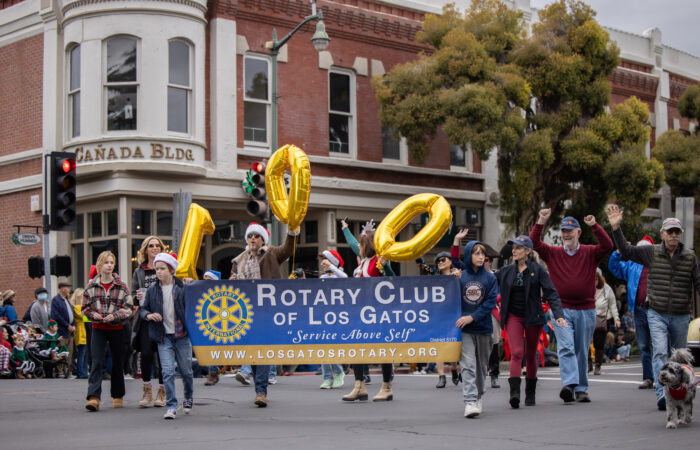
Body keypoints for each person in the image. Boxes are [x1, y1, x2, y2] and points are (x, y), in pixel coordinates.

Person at [606, 206, 700, 410]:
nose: (673, 235)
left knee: (679, 355)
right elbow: (628, 251)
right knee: (658, 351)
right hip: (656, 311)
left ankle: (680, 393)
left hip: (681, 313)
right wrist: (616, 228)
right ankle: (662, 392)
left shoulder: (690, 257)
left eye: (677, 231)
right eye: (670, 231)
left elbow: (698, 282)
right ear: (662, 234)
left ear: (681, 234)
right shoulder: (651, 252)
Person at [530, 209, 613, 403]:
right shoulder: (553, 253)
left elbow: (607, 245)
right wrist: (541, 220)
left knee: (581, 350)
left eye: (570, 230)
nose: (566, 234)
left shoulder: (590, 252)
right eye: (564, 231)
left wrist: (595, 225)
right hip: (561, 309)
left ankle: (581, 388)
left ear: (578, 233)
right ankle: (569, 384)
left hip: (586, 309)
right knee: (566, 346)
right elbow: (534, 243)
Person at [229, 222, 297, 407]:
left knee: (264, 350)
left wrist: (291, 232)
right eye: (250, 235)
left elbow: (288, 250)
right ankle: (259, 387)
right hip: (245, 312)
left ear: (262, 240)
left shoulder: (271, 254)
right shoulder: (238, 261)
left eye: (256, 236)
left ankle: (261, 391)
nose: (253, 238)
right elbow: (231, 289)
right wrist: (232, 281)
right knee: (252, 351)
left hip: (267, 310)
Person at [497, 235, 566, 408]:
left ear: (527, 251)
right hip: (513, 316)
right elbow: (485, 279)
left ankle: (530, 393)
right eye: (513, 248)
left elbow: (551, 292)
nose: (514, 250)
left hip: (533, 316)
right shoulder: (506, 271)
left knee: (530, 354)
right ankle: (514, 394)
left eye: (518, 248)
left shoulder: (538, 269)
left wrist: (558, 314)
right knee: (517, 353)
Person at [342, 221, 395, 403]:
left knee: (383, 349)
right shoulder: (364, 261)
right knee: (356, 348)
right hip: (360, 314)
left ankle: (386, 387)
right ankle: (359, 386)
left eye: (361, 244)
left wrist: (385, 266)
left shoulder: (377, 262)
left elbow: (393, 280)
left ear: (367, 245)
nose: (358, 247)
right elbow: (351, 244)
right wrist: (345, 228)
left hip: (378, 314)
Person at [139, 253, 193, 420]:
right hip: (163, 337)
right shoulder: (152, 290)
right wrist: (148, 315)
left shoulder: (182, 288)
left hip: (182, 335)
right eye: (157, 269)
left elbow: (196, 302)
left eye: (162, 268)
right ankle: (171, 405)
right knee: (168, 371)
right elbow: (142, 309)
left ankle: (188, 397)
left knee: (186, 371)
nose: (159, 272)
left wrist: (192, 285)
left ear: (171, 270)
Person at [83, 251, 134, 412]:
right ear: (100, 265)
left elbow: (129, 308)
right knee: (97, 361)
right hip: (98, 328)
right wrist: (93, 315)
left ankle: (117, 395)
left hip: (116, 327)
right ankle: (94, 397)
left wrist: (114, 316)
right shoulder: (92, 286)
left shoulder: (121, 285)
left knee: (117, 362)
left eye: (112, 262)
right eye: (106, 262)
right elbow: (84, 307)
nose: (109, 265)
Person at [452, 240, 498, 418]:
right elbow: (453, 260)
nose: (480, 257)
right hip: (465, 329)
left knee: (480, 366)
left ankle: (478, 395)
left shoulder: (490, 278)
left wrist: (472, 316)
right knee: (468, 365)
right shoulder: (461, 276)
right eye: (476, 253)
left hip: (484, 327)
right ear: (469, 255)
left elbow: (490, 302)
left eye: (482, 254)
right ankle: (470, 400)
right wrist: (456, 241)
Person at [608, 236, 655, 389]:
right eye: (639, 250)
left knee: (660, 345)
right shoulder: (632, 265)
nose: (642, 253)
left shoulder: (658, 264)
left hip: (657, 309)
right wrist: (618, 252)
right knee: (643, 345)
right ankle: (648, 378)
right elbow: (614, 267)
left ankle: (663, 377)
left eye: (645, 250)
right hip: (640, 309)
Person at [131, 236, 167, 408]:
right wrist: (136, 297)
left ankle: (162, 390)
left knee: (162, 356)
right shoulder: (139, 271)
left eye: (157, 245)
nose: (154, 248)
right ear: (145, 250)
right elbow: (131, 296)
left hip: (163, 317)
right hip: (145, 317)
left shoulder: (166, 267)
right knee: (145, 354)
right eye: (151, 246)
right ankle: (147, 390)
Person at [317, 249, 347, 389]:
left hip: (337, 317)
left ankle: (339, 373)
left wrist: (332, 267)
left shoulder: (338, 276)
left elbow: (345, 278)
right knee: (323, 347)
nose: (323, 263)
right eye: (322, 260)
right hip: (322, 316)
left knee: (331, 347)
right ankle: (327, 377)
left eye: (326, 260)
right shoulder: (322, 278)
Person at [592, 269, 619, 375]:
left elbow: (612, 304)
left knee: (599, 343)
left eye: (596, 278)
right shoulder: (585, 286)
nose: (594, 281)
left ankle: (597, 366)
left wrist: (616, 317)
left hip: (602, 319)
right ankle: (588, 364)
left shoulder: (607, 289)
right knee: (585, 342)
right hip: (588, 317)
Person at [201, 270, 223, 387]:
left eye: (209, 280)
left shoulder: (222, 291)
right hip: (210, 325)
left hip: (224, 323)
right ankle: (213, 372)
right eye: (204, 280)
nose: (206, 283)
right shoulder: (202, 291)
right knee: (212, 347)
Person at [50, 279, 76, 377]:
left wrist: (73, 325)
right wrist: (67, 325)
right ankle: (60, 370)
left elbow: (72, 314)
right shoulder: (56, 300)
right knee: (61, 349)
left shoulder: (67, 301)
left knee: (69, 351)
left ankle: (67, 370)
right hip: (62, 330)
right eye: (67, 287)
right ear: (62, 289)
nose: (69, 289)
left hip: (70, 331)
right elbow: (56, 315)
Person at [71, 288, 88, 379]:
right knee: (81, 354)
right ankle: (80, 372)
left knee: (85, 354)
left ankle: (84, 372)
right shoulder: (77, 307)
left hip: (85, 331)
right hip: (80, 331)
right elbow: (84, 317)